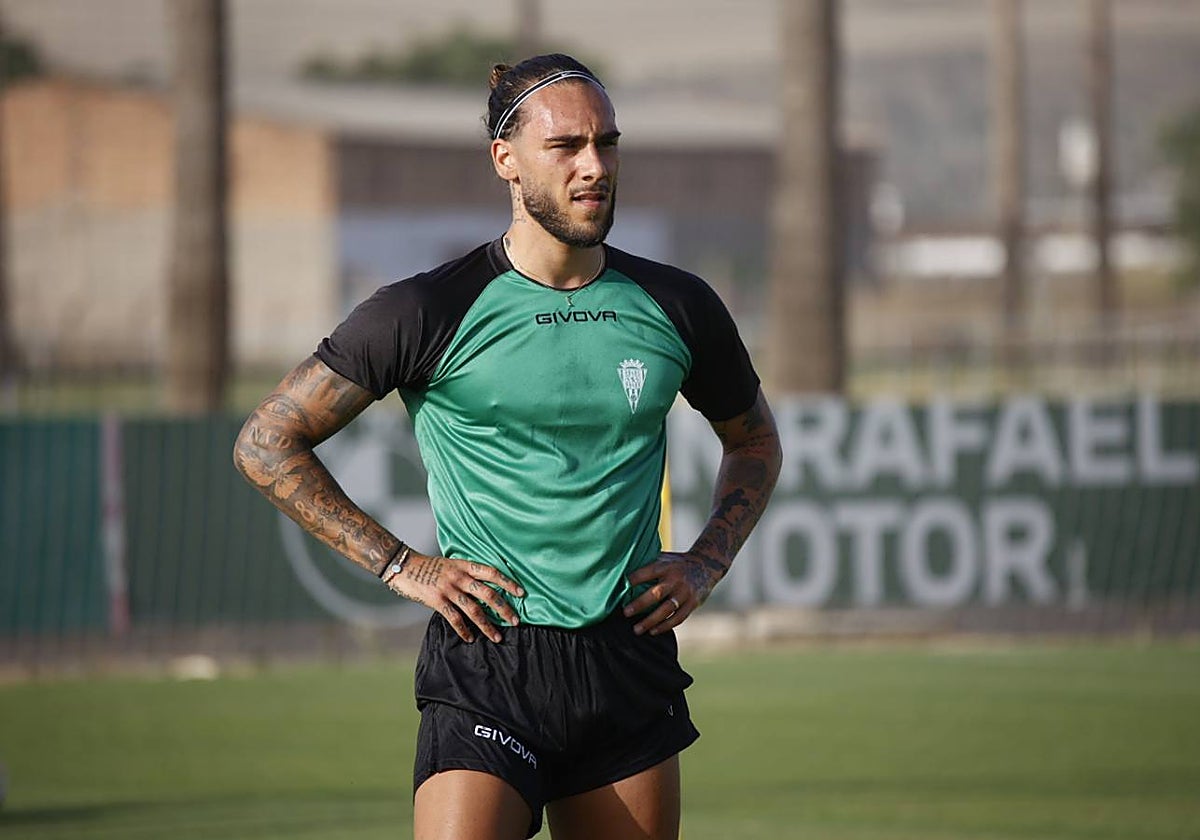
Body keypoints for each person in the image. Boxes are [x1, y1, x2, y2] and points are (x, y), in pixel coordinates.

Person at [234, 53, 782, 840]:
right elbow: (266, 443)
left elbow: (754, 438)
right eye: (567, 147)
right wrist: (402, 565)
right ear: (506, 161)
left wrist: (707, 560)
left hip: (627, 659)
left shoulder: (676, 305)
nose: (594, 167)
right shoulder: (426, 310)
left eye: (607, 143)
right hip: (488, 660)